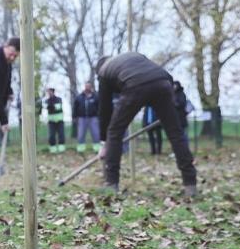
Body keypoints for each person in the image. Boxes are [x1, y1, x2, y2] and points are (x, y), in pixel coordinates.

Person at [96, 53, 197, 196]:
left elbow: (104, 110)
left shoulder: (104, 72)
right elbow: (162, 77)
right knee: (175, 133)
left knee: (114, 132)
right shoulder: (132, 57)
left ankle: (111, 184)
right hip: (163, 82)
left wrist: (104, 142)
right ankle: (190, 184)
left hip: (134, 85)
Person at [73, 82, 100, 153]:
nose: (87, 87)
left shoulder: (95, 97)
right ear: (84, 87)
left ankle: (97, 149)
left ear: (91, 87)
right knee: (81, 134)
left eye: (89, 86)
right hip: (82, 118)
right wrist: (74, 117)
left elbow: (99, 107)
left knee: (96, 133)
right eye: (86, 86)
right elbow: (75, 108)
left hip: (93, 118)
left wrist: (99, 116)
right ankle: (81, 150)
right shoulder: (79, 97)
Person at [44, 88, 65, 153]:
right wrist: (52, 107)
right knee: (51, 136)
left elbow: (58, 107)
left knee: (61, 135)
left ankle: (61, 149)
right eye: (48, 92)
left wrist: (50, 107)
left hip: (59, 120)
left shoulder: (59, 99)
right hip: (51, 121)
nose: (49, 93)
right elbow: (46, 107)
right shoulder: (47, 100)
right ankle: (53, 149)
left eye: (50, 92)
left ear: (53, 92)